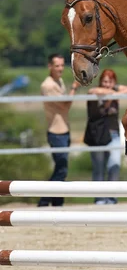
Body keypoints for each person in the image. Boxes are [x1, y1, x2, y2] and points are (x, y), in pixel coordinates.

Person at [85, 69, 127, 205]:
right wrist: (113, 93)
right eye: (105, 81)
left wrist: (115, 91)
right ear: (101, 81)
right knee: (99, 168)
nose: (107, 84)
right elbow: (92, 91)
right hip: (98, 136)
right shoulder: (96, 92)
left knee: (114, 165)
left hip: (113, 134)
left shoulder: (114, 90)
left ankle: (111, 197)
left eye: (110, 81)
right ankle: (99, 198)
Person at [37, 53, 79, 207]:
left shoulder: (59, 81)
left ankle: (56, 202)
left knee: (62, 168)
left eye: (62, 65)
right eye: (57, 65)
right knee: (61, 169)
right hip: (56, 132)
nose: (60, 68)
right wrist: (74, 88)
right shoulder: (48, 86)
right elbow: (65, 105)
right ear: (50, 66)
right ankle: (45, 200)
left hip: (64, 130)